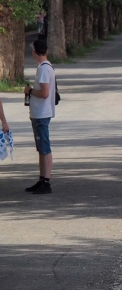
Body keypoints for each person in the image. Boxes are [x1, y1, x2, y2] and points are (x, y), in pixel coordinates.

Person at [24, 39, 56, 195]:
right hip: (41, 113)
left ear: (34, 52)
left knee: (44, 148)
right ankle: (42, 179)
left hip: (41, 114)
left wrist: (30, 91)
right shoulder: (47, 67)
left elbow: (44, 93)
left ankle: (46, 181)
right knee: (41, 148)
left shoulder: (43, 69)